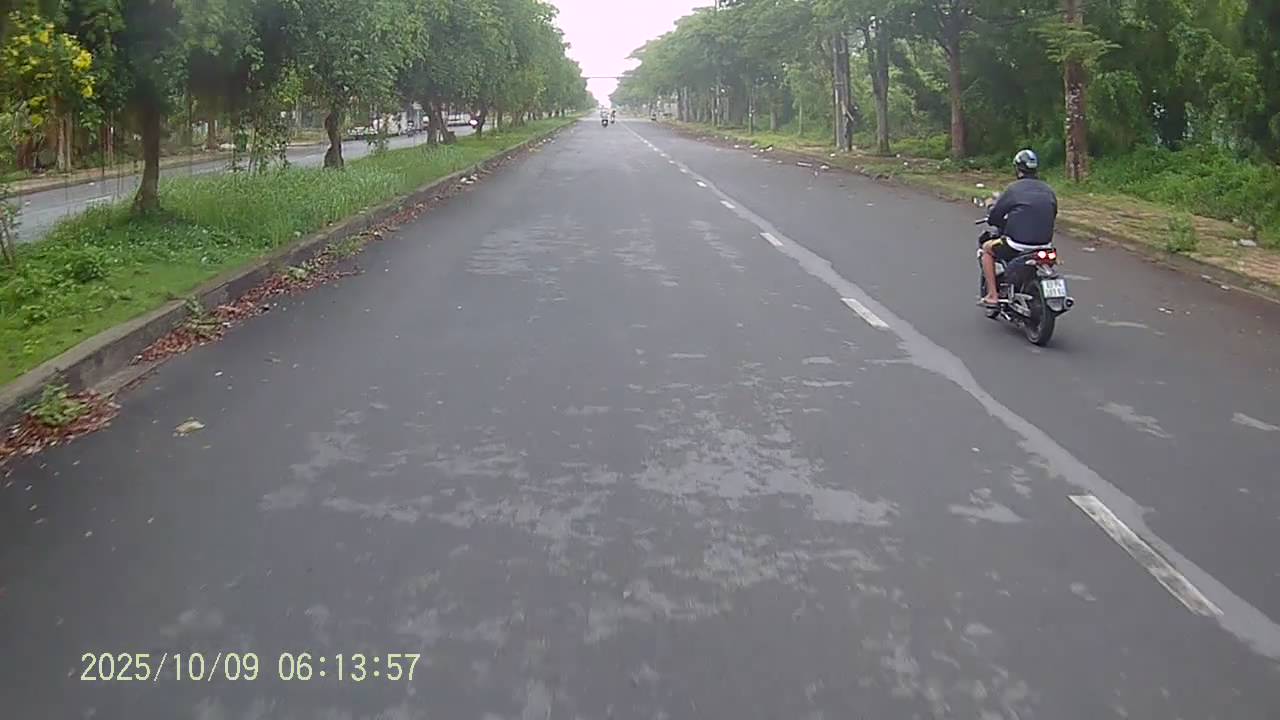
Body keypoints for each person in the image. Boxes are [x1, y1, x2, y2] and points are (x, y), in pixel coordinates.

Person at [978, 149, 1058, 306]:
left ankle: (992, 295)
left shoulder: (1013, 189)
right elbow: (1053, 212)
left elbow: (995, 216)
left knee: (987, 249)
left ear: (1017, 168)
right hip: (1045, 245)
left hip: (1018, 245)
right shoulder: (1048, 190)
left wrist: (992, 211)